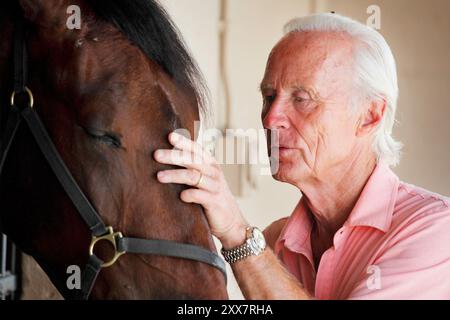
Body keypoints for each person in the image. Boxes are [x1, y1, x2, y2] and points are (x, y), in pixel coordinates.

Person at [153, 13, 450, 299]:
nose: (271, 119)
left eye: (302, 99)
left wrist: (237, 234)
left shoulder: (436, 230)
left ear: (370, 116)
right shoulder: (273, 243)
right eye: (269, 97)